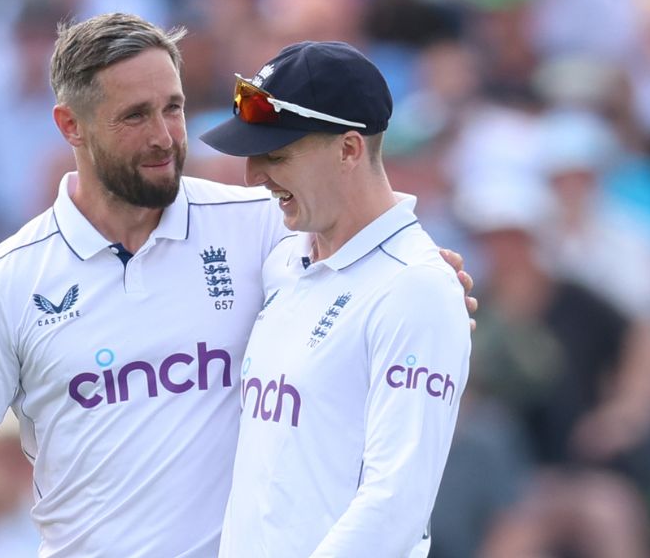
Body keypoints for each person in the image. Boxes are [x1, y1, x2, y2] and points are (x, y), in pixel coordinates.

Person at [0, 13, 476, 557]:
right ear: (70, 126)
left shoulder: (263, 225)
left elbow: (374, 257)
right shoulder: (4, 283)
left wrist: (430, 281)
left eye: (174, 108)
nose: (164, 137)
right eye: (135, 116)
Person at [200, 41, 472, 556]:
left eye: (275, 155)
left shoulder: (418, 287)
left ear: (349, 149)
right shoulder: (284, 261)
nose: (253, 177)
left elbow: (396, 503)